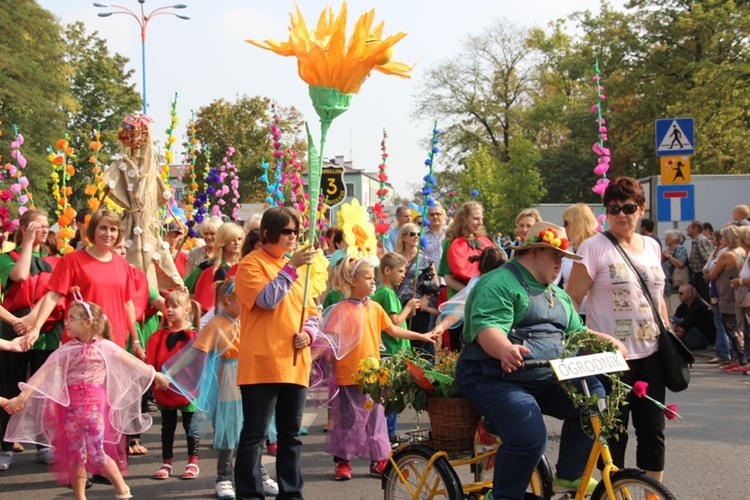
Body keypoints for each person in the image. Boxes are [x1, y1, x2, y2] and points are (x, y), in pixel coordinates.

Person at [456, 221, 626, 500]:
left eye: (562, 256)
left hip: (545, 376)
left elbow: (578, 333)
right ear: (533, 251)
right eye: (555, 255)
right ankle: (503, 497)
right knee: (530, 437)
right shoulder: (498, 283)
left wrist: (608, 342)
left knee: (594, 397)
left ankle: (569, 476)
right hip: (494, 377)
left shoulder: (558, 294)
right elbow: (487, 327)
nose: (560, 263)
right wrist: (504, 349)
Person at [2, 297, 169, 500]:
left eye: (72, 318)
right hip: (70, 410)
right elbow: (42, 374)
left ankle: (122, 488)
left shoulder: (105, 347)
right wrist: (23, 396)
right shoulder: (64, 351)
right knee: (75, 456)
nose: (67, 322)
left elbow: (133, 363)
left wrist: (156, 375)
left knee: (97, 454)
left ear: (88, 323)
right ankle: (80, 497)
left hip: (94, 409)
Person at [567, 177, 667, 483]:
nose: (621, 214)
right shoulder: (594, 247)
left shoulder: (651, 246)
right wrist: (589, 340)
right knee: (614, 433)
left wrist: (668, 332)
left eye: (628, 207)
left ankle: (652, 493)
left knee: (653, 431)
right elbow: (571, 301)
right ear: (606, 211)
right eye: (614, 209)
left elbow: (658, 299)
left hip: (652, 352)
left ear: (641, 208)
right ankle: (616, 491)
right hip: (610, 358)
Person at [164, 278, 278, 499]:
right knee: (229, 432)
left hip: (252, 378)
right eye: (243, 299)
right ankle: (224, 478)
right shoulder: (216, 324)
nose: (248, 304)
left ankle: (259, 475)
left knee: (255, 430)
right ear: (228, 300)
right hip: (228, 382)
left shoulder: (248, 320)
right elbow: (194, 352)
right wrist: (169, 372)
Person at [234, 206, 320, 499]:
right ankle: (249, 494)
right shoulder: (250, 265)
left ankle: (291, 494)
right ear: (268, 233)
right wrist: (291, 268)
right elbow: (267, 300)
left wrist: (308, 334)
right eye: (287, 231)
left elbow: (312, 313)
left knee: (291, 437)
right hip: (261, 363)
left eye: (296, 231)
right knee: (255, 435)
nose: (293, 236)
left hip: (294, 365)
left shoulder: (296, 270)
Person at [323, 257, 436, 480]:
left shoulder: (374, 308)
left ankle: (378, 460)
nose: (373, 281)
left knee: (376, 419)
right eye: (367, 278)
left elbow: (393, 329)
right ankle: (343, 462)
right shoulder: (341, 310)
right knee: (348, 420)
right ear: (353, 281)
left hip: (373, 376)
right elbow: (330, 342)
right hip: (348, 376)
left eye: (373, 277)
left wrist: (421, 335)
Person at [23, 209, 142, 356]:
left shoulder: (122, 265)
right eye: (103, 228)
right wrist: (36, 327)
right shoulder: (72, 261)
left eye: (113, 229)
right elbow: (52, 296)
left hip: (114, 340)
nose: (108, 234)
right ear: (93, 230)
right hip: (81, 340)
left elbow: (127, 303)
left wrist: (136, 340)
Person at [0, 210, 63, 468]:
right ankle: (5, 447)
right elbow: (20, 277)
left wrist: (34, 324)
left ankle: (44, 444)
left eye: (47, 226)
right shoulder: (7, 258)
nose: (45, 230)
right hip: (11, 331)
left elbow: (55, 295)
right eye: (38, 226)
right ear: (25, 228)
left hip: (47, 332)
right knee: (9, 389)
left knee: (42, 391)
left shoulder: (58, 261)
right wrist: (27, 242)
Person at [146, 290, 202, 480]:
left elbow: (200, 364)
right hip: (165, 389)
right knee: (167, 426)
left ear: (187, 309)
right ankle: (166, 462)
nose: (169, 309)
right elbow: (151, 363)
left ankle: (193, 462)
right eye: (167, 306)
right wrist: (155, 380)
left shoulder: (194, 336)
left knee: (190, 426)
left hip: (187, 389)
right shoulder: (157, 337)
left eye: (174, 306)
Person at [371, 252, 420, 444]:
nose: (403, 275)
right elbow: (394, 323)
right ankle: (389, 436)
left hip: (387, 351)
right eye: (400, 271)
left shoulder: (381, 293)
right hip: (392, 352)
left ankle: (386, 435)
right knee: (392, 398)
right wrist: (408, 307)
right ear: (386, 270)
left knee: (386, 397)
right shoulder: (388, 294)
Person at [437, 201, 493, 349]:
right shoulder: (451, 243)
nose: (480, 222)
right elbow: (447, 278)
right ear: (464, 219)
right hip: (458, 298)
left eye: (481, 218)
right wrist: (468, 292)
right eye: (475, 218)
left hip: (481, 299)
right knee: (457, 345)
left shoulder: (485, 242)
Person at [705, 225, 747, 371]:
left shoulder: (727, 255)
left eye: (723, 237)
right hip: (735, 292)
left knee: (730, 327)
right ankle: (736, 359)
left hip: (727, 294)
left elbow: (713, 274)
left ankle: (741, 360)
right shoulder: (741, 252)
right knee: (736, 326)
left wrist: (709, 276)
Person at [395, 223, 439, 357]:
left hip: (418, 307)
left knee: (421, 345)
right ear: (403, 237)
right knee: (401, 342)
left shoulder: (425, 259)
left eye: (418, 234)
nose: (416, 237)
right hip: (398, 306)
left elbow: (434, 284)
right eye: (412, 234)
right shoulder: (395, 258)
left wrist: (426, 297)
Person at [186, 222, 244, 317]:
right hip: (209, 319)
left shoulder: (246, 266)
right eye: (232, 239)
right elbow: (185, 289)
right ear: (223, 241)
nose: (237, 243)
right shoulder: (206, 266)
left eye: (239, 239)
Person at [704, 230, 732, 364]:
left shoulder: (726, 253)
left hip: (722, 291)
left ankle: (724, 353)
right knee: (720, 321)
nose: (719, 241)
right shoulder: (718, 251)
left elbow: (712, 271)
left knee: (722, 322)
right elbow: (707, 267)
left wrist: (710, 272)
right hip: (715, 289)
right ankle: (726, 353)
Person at [670, 284, 713, 350]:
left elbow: (686, 323)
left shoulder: (698, 305)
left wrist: (678, 330)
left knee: (672, 320)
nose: (678, 295)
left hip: (703, 337)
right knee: (671, 320)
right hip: (693, 335)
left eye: (681, 293)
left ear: (689, 294)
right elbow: (677, 317)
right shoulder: (684, 305)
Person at [661, 229, 689, 315]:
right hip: (666, 288)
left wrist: (669, 257)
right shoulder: (668, 251)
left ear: (674, 239)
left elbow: (680, 263)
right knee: (667, 312)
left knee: (675, 309)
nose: (665, 239)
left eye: (668, 237)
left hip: (675, 287)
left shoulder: (680, 249)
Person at [686, 220, 713, 301]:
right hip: (698, 276)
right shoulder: (696, 241)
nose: (686, 229)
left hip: (702, 276)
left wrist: (706, 276)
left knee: (706, 299)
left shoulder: (700, 241)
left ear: (696, 229)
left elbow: (708, 259)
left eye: (689, 227)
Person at [423, 203, 446, 281]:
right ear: (427, 217)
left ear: (443, 216)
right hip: (429, 281)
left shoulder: (452, 233)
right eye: (432, 214)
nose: (435, 217)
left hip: (449, 281)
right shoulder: (420, 234)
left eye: (438, 214)